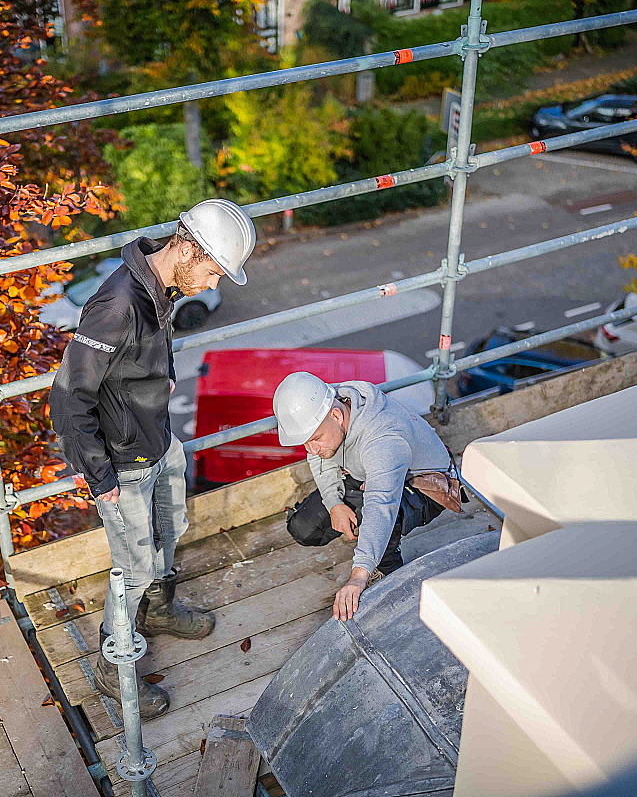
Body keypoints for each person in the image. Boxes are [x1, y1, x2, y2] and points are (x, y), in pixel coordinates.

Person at [49, 199, 256, 718]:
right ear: (187, 248)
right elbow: (69, 395)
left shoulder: (159, 288)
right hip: (123, 460)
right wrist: (100, 478)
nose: (212, 284)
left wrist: (159, 383)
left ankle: (159, 612)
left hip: (157, 438)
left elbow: (134, 362)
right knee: (133, 568)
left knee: (173, 526)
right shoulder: (118, 304)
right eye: (212, 270)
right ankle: (111, 665)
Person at [273, 372, 463, 623]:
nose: (312, 450)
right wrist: (335, 505)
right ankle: (367, 539)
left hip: (425, 484)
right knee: (304, 528)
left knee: (377, 518)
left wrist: (358, 576)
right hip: (366, 471)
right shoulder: (329, 406)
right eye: (306, 442)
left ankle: (388, 573)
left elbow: (380, 504)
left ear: (336, 416)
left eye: (316, 439)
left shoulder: (383, 439)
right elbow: (320, 457)